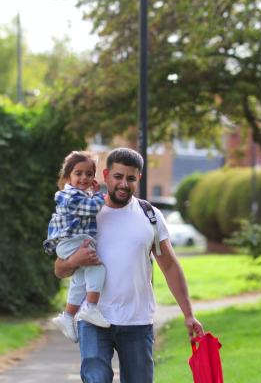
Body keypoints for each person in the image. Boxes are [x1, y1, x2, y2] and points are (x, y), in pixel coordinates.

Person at [54, 147, 204, 382]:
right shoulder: (86, 212)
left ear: (139, 179)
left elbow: (171, 267)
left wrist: (188, 314)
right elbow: (60, 269)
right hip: (93, 319)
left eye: (130, 178)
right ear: (105, 175)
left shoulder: (150, 216)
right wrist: (75, 260)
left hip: (137, 321)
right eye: (118, 177)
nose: (124, 184)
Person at [44, 151, 110, 343]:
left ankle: (67, 316)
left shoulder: (81, 195)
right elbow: (92, 207)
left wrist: (94, 194)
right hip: (71, 243)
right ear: (67, 177)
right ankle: (90, 307)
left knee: (80, 280)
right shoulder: (69, 195)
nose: (84, 178)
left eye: (89, 174)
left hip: (73, 242)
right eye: (78, 173)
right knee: (97, 267)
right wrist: (100, 195)